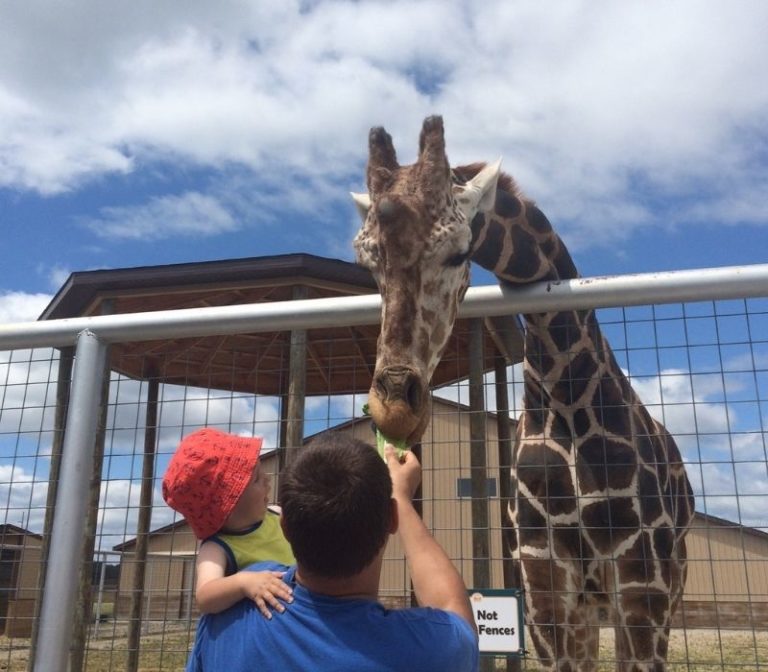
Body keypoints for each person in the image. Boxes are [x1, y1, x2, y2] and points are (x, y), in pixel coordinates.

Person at [185, 432, 479, 672]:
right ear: (391, 520)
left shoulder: (228, 614)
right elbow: (457, 616)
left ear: (284, 526)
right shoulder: (429, 650)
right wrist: (402, 499)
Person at [162, 427, 295, 618]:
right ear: (228, 504)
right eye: (257, 478)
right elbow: (205, 595)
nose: (267, 479)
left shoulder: (276, 514)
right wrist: (243, 583)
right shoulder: (218, 547)